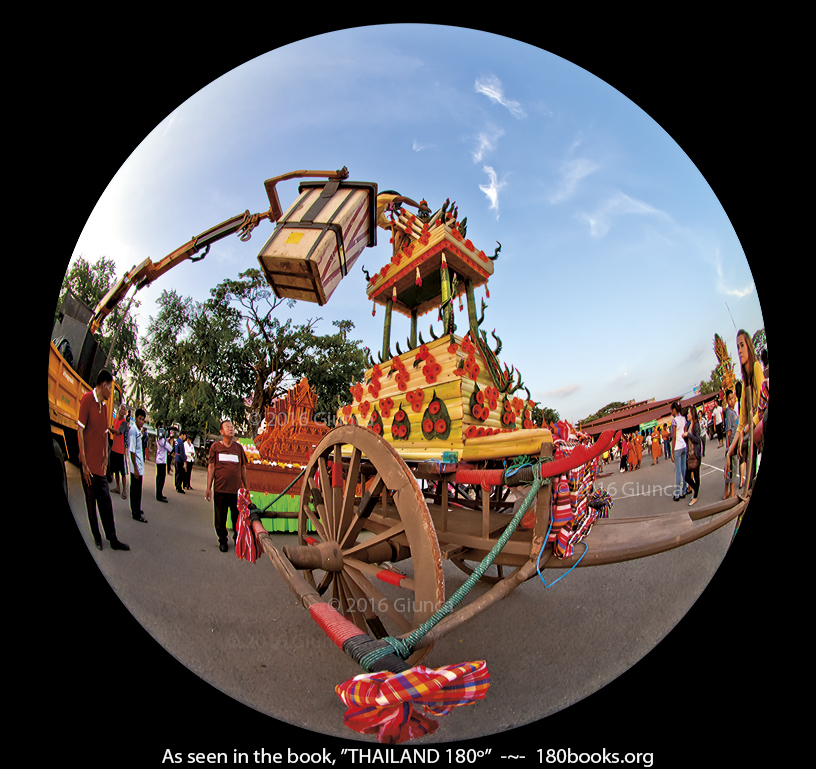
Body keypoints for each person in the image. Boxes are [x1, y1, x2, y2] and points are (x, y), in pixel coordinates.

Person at [77, 369, 129, 551]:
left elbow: (105, 432)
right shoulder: (87, 400)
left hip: (100, 466)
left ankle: (113, 539)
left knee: (106, 503)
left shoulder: (104, 406)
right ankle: (97, 537)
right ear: (103, 385)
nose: (110, 392)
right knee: (91, 504)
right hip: (89, 467)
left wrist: (106, 455)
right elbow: (80, 431)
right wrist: (83, 462)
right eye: (110, 388)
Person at [726, 330, 765, 491]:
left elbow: (763, 405)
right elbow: (741, 423)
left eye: (742, 345)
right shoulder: (744, 379)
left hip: (761, 429)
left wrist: (747, 429)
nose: (740, 350)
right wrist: (729, 452)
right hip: (753, 434)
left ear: (749, 346)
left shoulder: (756, 367)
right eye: (737, 347)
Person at [206, 419, 248, 552]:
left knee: (236, 518)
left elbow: (243, 468)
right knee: (220, 518)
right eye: (227, 427)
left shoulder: (238, 448)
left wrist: (246, 487)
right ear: (221, 431)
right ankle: (222, 540)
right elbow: (211, 467)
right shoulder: (215, 447)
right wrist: (208, 487)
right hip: (220, 489)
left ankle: (237, 538)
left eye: (232, 427)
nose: (230, 429)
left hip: (236, 491)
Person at [128, 409, 148, 523]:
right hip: (135, 465)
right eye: (139, 419)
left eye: (143, 420)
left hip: (139, 465)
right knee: (135, 489)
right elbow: (132, 451)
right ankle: (135, 513)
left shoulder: (139, 431)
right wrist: (135, 468)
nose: (141, 421)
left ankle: (137, 508)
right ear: (135, 418)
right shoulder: (133, 431)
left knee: (138, 489)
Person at [683, 406, 702, 506]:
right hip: (689, 454)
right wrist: (685, 436)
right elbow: (689, 441)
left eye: (689, 413)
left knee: (696, 476)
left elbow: (697, 439)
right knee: (687, 476)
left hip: (695, 454)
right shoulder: (689, 425)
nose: (688, 415)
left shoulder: (696, 425)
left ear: (693, 414)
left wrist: (688, 435)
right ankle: (695, 488)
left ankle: (695, 496)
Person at [110, 404, 129, 499]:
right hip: (114, 449)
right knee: (116, 471)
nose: (122, 411)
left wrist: (109, 429)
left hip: (121, 450)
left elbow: (118, 432)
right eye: (121, 409)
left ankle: (124, 490)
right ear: (118, 409)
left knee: (123, 472)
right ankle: (117, 488)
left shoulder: (124, 423)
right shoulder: (115, 420)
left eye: (124, 409)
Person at [722, 389, 739, 499]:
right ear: (727, 401)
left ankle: (726, 492)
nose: (732, 400)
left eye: (733, 398)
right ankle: (730, 492)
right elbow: (728, 432)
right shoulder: (729, 413)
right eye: (729, 399)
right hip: (732, 444)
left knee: (730, 468)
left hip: (735, 442)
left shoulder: (733, 412)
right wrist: (729, 448)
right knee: (732, 468)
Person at [670, 401, 688, 501]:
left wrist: (672, 452)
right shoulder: (683, 419)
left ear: (675, 410)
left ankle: (677, 494)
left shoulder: (674, 421)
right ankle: (684, 490)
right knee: (683, 469)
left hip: (677, 447)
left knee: (678, 471)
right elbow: (684, 432)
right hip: (683, 446)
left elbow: (674, 437)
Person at [154, 422, 173, 502]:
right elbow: (170, 449)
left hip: (160, 460)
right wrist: (170, 440)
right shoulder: (161, 440)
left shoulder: (159, 438)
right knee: (161, 479)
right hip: (161, 461)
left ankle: (160, 493)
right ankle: (159, 495)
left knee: (160, 478)